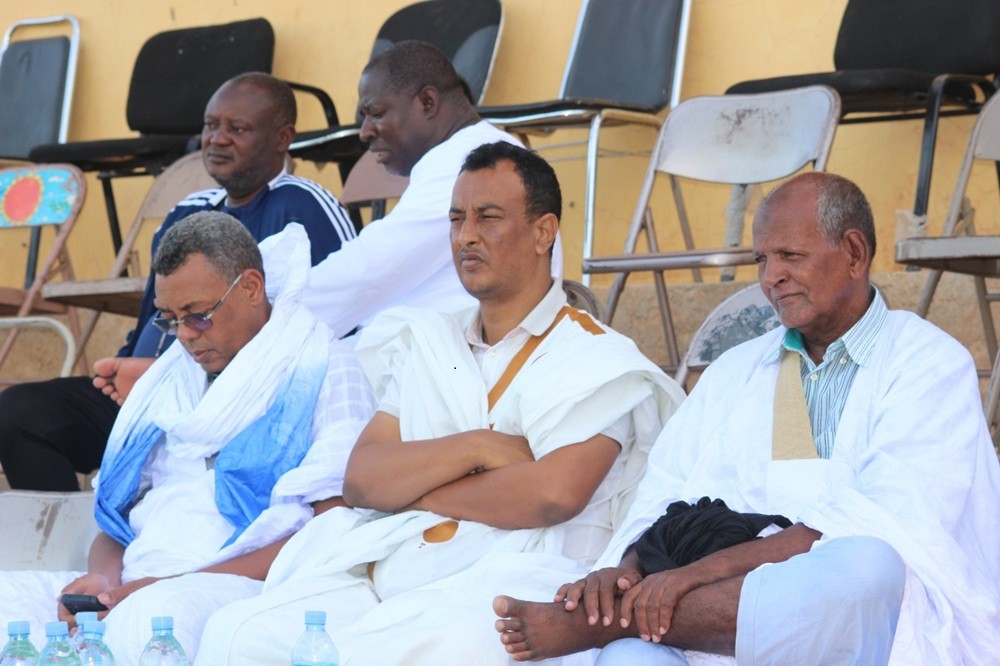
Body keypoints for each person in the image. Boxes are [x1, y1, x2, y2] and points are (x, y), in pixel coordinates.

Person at [193, 142, 684, 665]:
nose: (466, 235)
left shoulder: (595, 355)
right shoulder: (429, 341)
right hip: (392, 567)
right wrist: (476, 447)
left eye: (488, 217)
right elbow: (363, 480)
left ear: (544, 232)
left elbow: (552, 494)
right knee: (237, 634)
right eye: (456, 219)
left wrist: (414, 492)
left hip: (515, 584)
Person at [492, 172, 1000, 665]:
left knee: (867, 566)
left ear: (853, 253)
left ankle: (612, 621)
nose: (770, 276)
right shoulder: (734, 369)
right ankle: (625, 622)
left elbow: (885, 520)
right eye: (761, 259)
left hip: (856, 623)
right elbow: (664, 496)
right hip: (702, 623)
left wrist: (696, 576)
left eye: (790, 256)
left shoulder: (929, 362)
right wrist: (627, 570)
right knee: (628, 658)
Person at [0, 212, 375, 659]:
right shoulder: (170, 381)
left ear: (251, 288)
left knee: (152, 620)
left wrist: (167, 584)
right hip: (134, 585)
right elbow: (119, 522)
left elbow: (330, 527)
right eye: (170, 320)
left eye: (198, 316)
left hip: (246, 586)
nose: (184, 336)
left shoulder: (325, 366)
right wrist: (102, 580)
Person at [0, 71, 356, 491]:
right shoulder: (186, 211)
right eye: (211, 125)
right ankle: (62, 531)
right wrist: (130, 368)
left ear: (283, 137)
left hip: (228, 403)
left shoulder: (306, 207)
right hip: (140, 392)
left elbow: (323, 331)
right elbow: (153, 315)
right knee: (17, 414)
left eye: (237, 129)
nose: (217, 139)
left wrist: (167, 374)